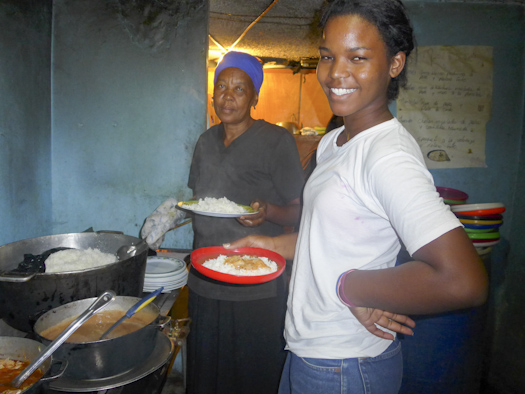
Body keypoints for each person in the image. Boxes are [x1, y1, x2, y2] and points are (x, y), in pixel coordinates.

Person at [224, 1, 489, 393]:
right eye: (328, 56)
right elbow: (329, 239)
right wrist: (268, 245)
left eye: (358, 57)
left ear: (395, 64)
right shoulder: (335, 142)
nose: (335, 74)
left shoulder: (388, 155)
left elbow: (464, 280)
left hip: (346, 365)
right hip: (308, 348)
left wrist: (355, 287)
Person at [186, 51, 305, 394]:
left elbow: (299, 210)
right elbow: (200, 202)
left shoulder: (275, 141)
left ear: (255, 96)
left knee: (253, 374)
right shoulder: (205, 142)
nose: (228, 95)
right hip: (205, 278)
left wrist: (268, 212)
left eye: (240, 88)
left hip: (255, 281)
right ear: (212, 94)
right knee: (206, 372)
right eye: (221, 86)